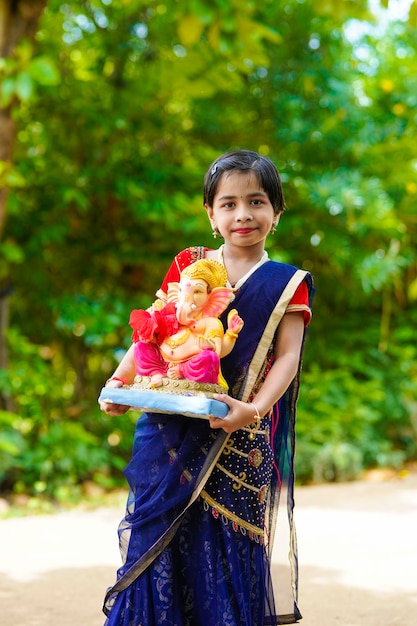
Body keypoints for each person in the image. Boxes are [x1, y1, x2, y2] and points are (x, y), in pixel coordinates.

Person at [99, 149, 314, 626]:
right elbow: (152, 332)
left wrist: (252, 410)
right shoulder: (188, 265)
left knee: (228, 550)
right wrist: (120, 379)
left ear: (276, 213)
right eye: (229, 203)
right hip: (168, 432)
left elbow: (289, 358)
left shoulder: (287, 283)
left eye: (256, 202)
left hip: (238, 437)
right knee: (160, 544)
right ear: (211, 215)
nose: (243, 214)